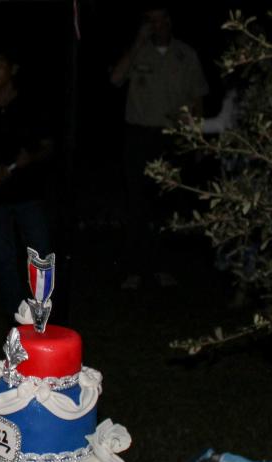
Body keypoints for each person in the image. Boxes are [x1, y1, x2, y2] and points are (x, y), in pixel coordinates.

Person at [110, 7, 208, 289]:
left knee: (166, 204)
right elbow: (115, 78)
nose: (159, 25)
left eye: (163, 18)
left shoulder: (186, 54)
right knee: (137, 203)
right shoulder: (138, 51)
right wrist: (138, 41)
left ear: (171, 20)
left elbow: (197, 100)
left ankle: (163, 266)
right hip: (139, 135)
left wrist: (196, 138)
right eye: (152, 20)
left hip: (172, 137)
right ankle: (134, 269)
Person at [0, 47, 53, 317]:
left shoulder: (30, 105)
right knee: (4, 258)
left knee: (40, 255)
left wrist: (28, 158)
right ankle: (16, 314)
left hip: (28, 194)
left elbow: (47, 146)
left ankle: (43, 310)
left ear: (13, 69)